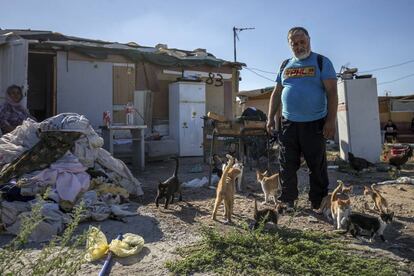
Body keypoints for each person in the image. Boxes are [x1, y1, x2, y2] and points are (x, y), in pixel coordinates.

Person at [266, 27, 338, 210]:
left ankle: (318, 202)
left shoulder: (321, 62)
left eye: (302, 42)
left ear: (309, 40)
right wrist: (269, 119)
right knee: (286, 164)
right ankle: (287, 200)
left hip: (315, 123)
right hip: (288, 123)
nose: (299, 46)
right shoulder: (285, 65)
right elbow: (276, 93)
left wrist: (330, 121)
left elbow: (332, 92)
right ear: (290, 46)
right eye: (294, 44)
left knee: (317, 165)